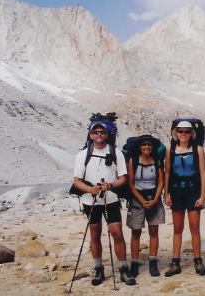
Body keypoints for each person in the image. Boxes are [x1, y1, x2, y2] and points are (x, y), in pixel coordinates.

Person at [72, 120, 136, 286]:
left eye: (102, 132)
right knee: (94, 233)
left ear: (108, 134)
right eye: (96, 132)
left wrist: (111, 185)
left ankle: (123, 268)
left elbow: (123, 177)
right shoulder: (82, 155)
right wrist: (90, 190)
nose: (99, 135)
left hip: (111, 198)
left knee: (117, 233)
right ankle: (99, 267)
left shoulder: (116, 153)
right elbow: (77, 181)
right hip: (90, 199)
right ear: (91, 134)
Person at [163, 120, 205, 277]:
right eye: (180, 131)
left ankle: (198, 261)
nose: (183, 134)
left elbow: (203, 173)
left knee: (195, 228)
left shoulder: (198, 149)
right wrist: (166, 193)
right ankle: (175, 261)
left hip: (193, 191)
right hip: (176, 191)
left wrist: (203, 196)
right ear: (175, 133)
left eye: (187, 131)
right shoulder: (170, 150)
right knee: (177, 228)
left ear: (192, 133)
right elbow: (167, 172)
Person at [126, 135, 166, 277]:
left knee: (154, 231)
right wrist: (141, 200)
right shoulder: (133, 161)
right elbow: (130, 183)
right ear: (139, 147)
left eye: (149, 145)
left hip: (153, 197)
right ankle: (135, 264)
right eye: (144, 145)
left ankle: (153, 263)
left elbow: (161, 182)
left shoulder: (157, 161)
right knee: (135, 232)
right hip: (138, 199)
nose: (146, 147)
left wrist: (155, 199)